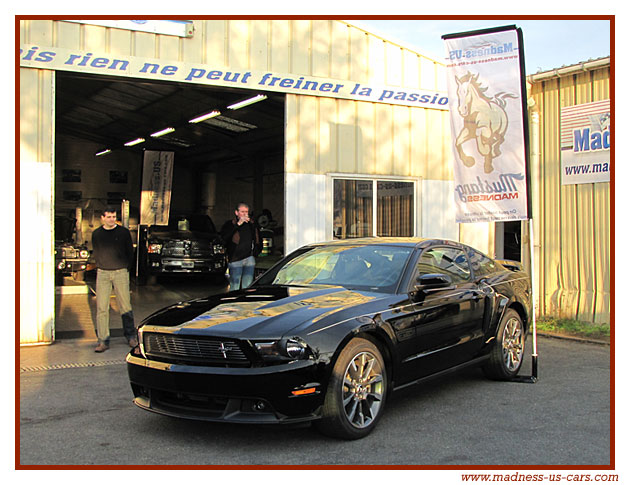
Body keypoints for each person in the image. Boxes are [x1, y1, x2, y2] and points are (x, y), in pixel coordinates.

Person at [91, 207, 136, 352]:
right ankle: (103, 340)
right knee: (102, 308)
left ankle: (130, 336)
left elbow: (130, 251)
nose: (112, 219)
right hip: (103, 273)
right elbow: (96, 251)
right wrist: (101, 265)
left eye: (114, 216)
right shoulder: (96, 234)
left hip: (120, 272)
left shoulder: (123, 232)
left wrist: (125, 268)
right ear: (102, 218)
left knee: (125, 306)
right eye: (109, 217)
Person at [220, 202, 261, 291]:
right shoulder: (230, 224)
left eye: (246, 212)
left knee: (248, 286)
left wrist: (256, 251)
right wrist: (238, 224)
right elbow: (224, 238)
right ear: (236, 213)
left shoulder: (251, 224)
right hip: (235, 259)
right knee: (235, 285)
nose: (245, 214)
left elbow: (257, 237)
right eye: (242, 212)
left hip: (249, 258)